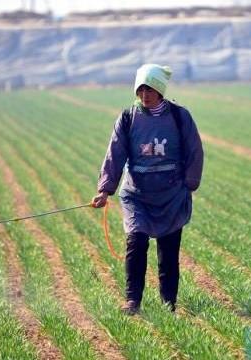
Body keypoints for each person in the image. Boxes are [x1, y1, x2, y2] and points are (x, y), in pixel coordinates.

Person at [92, 64, 204, 315]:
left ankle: (168, 303)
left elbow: (194, 150)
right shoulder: (128, 118)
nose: (145, 94)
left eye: (150, 89)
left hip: (171, 195)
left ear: (160, 90)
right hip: (137, 195)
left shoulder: (179, 116)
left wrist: (189, 183)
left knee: (168, 250)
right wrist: (105, 189)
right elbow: (115, 153)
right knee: (136, 241)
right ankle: (132, 301)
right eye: (140, 89)